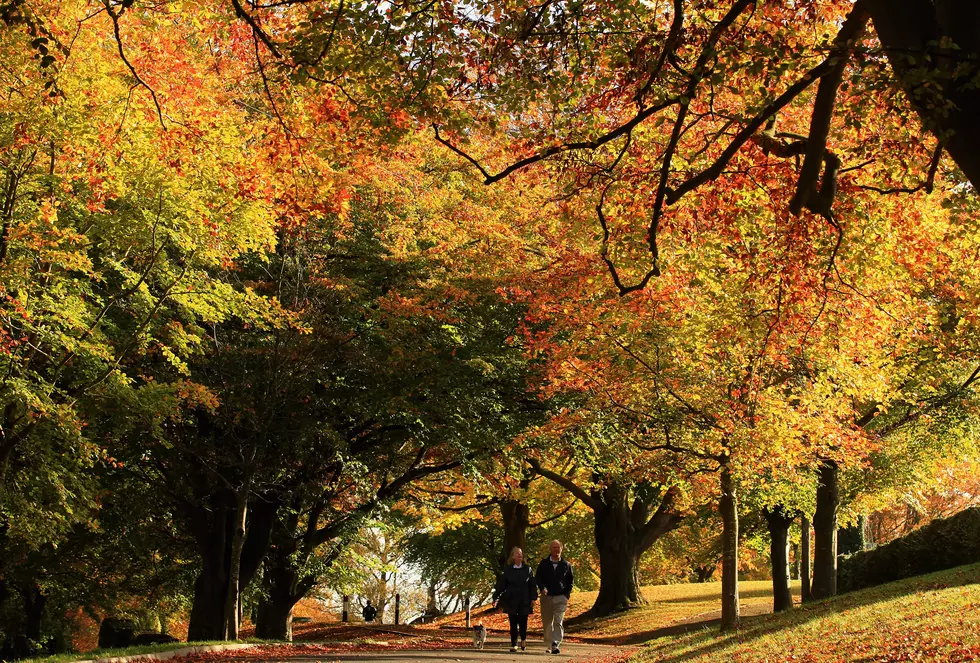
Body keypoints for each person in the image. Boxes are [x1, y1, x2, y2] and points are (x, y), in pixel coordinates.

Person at [493, 546, 538, 653]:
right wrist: (496, 597)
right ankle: (514, 644)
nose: (519, 555)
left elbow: (532, 585)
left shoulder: (528, 569)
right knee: (513, 623)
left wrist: (533, 598)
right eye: (517, 553)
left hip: (524, 599)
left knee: (523, 622)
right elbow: (502, 585)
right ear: (513, 556)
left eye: (521, 553)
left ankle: (523, 639)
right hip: (511, 599)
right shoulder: (508, 570)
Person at [536, 539, 573, 654]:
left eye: (558, 547)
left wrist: (566, 594)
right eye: (554, 547)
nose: (556, 549)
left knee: (558, 621)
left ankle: (555, 643)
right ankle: (548, 643)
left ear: (561, 549)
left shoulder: (566, 564)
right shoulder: (544, 563)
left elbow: (570, 580)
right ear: (550, 549)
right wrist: (542, 588)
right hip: (547, 597)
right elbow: (538, 578)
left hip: (561, 597)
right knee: (547, 623)